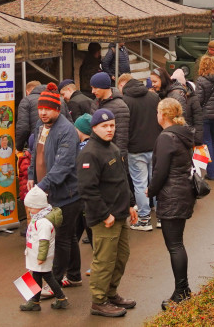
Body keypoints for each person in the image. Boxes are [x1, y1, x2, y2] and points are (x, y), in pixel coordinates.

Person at [76, 108, 139, 318]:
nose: (109, 129)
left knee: (121, 257)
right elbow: (87, 189)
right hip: (105, 219)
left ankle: (111, 294)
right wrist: (104, 214)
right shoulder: (89, 153)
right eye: (104, 126)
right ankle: (99, 301)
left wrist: (131, 204)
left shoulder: (112, 147)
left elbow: (122, 179)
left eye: (112, 125)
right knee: (104, 260)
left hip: (120, 214)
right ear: (94, 128)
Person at [27, 89, 83, 288]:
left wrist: (41, 187)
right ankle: (75, 275)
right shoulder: (39, 126)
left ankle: (55, 282)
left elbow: (64, 165)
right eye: (41, 108)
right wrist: (32, 175)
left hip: (66, 194)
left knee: (60, 238)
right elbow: (35, 152)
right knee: (69, 236)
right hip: (46, 191)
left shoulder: (66, 130)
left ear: (58, 110)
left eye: (48, 109)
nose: (43, 113)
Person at [148, 98, 197, 310]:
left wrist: (151, 191)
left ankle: (181, 293)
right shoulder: (183, 133)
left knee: (175, 245)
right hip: (183, 191)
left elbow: (160, 171)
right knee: (178, 243)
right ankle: (184, 290)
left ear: (164, 115)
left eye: (158, 112)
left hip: (172, 194)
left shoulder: (166, 137)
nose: (156, 116)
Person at [120, 72, 162, 231]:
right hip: (154, 146)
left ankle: (144, 219)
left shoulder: (125, 101)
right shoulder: (154, 98)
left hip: (135, 149)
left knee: (139, 184)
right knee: (156, 182)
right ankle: (161, 217)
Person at [20, 186, 67, 311]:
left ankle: (59, 298)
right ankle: (36, 301)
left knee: (47, 278)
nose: (29, 210)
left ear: (40, 206)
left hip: (40, 256)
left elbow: (44, 241)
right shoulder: (38, 219)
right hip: (35, 254)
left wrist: (41, 257)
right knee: (38, 277)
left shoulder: (43, 222)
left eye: (31, 207)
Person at [91, 71, 131, 158]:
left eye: (95, 88)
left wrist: (119, 159)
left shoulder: (120, 107)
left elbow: (122, 138)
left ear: (103, 87)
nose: (92, 91)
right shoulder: (95, 103)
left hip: (112, 156)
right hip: (97, 153)